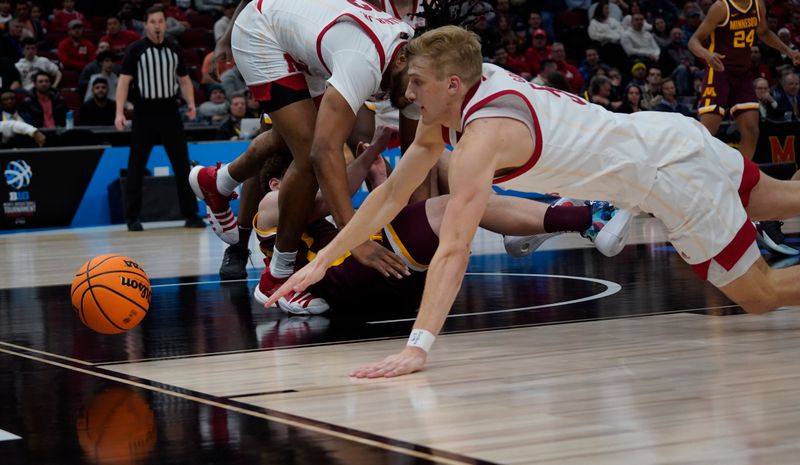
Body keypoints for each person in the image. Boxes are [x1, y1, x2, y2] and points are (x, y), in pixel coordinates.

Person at [268, 25, 800, 379]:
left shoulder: (484, 138)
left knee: (757, 295)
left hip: (669, 176)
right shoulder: (467, 91)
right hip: (669, 137)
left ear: (452, 84)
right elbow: (390, 194)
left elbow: (455, 248)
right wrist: (319, 261)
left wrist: (418, 346)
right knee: (777, 200)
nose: (409, 96)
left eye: (417, 85)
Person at [257, 129, 631, 314]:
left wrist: (377, 175)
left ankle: (537, 222)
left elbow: (383, 210)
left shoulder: (311, 220)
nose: (333, 175)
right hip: (349, 275)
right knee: (458, 202)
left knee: (432, 156)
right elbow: (323, 201)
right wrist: (370, 154)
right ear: (277, 183)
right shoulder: (271, 205)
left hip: (374, 273)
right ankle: (585, 217)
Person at [189, 0, 419, 295]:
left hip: (309, 38)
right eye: (412, 88)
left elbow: (415, 153)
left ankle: (217, 180)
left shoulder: (415, 61)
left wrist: (418, 224)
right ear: (402, 63)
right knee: (309, 152)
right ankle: (278, 276)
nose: (413, 95)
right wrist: (354, 239)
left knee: (289, 137)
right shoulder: (366, 61)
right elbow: (324, 152)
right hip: (263, 30)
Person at [115, 5, 205, 231]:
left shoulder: (174, 48)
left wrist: (191, 104)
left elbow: (184, 80)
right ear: (146, 25)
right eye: (153, 21)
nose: (157, 25)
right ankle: (132, 218)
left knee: (182, 165)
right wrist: (119, 113)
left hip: (170, 112)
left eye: (161, 21)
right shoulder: (135, 50)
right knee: (136, 166)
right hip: (144, 112)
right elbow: (124, 81)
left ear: (166, 24)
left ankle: (191, 215)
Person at [689, 0, 800, 160]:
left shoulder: (757, 5)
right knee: (707, 131)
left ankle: (741, 177)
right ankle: (693, 172)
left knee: (751, 130)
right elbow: (694, 41)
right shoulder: (721, 7)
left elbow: (764, 32)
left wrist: (788, 51)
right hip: (719, 72)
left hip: (743, 74)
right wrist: (707, 54)